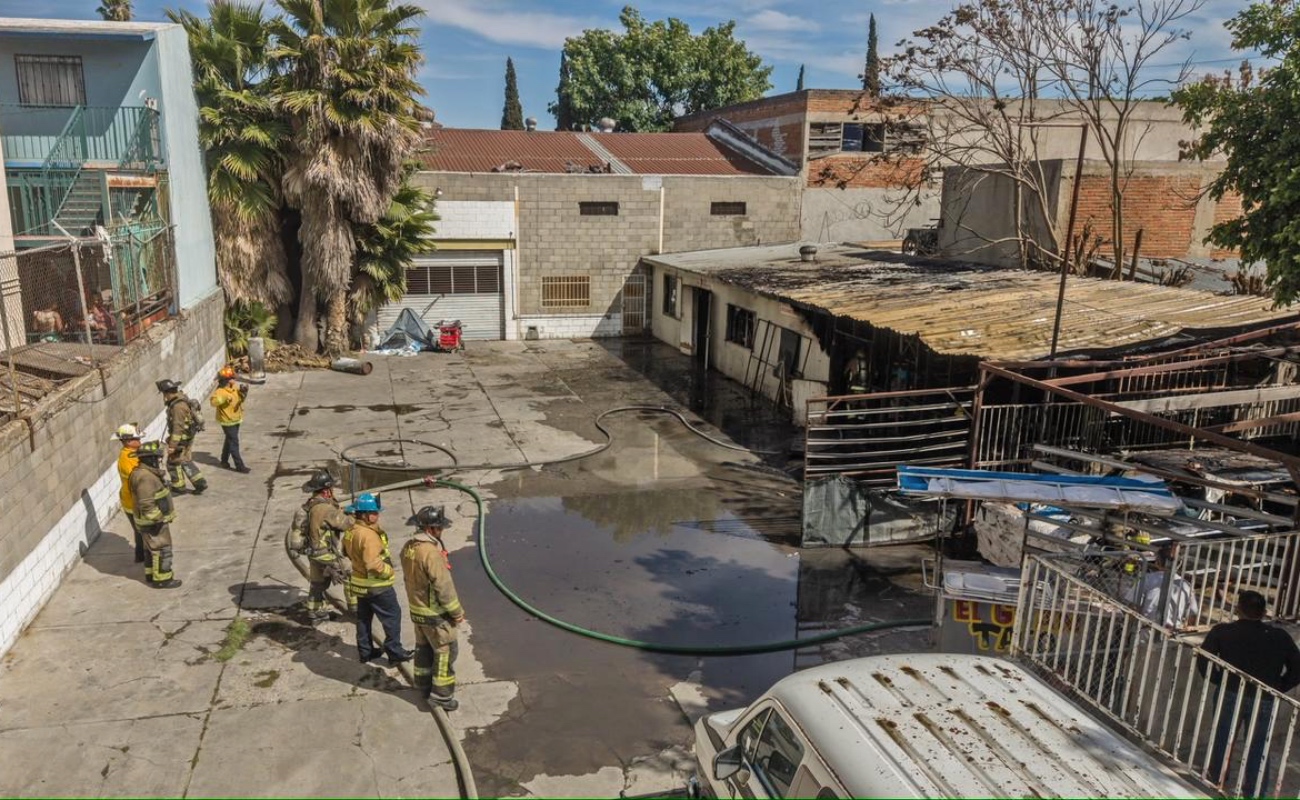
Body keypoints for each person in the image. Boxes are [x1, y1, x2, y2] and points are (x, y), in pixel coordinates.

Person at [1198, 590, 1300, 796]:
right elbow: (1297, 668)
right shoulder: (1279, 637)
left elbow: (1204, 660)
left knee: (1223, 737)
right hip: (1264, 697)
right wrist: (1278, 686)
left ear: (1238, 610)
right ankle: (1254, 791)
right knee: (1259, 746)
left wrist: (1219, 680)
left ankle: (1215, 778)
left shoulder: (1222, 631)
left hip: (1231, 692)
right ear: (1263, 612)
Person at [401, 505, 467, 711]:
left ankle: (422, 685)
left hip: (417, 611)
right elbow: (444, 586)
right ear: (431, 529)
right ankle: (441, 696)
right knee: (445, 652)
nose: (442, 531)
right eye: (440, 528)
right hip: (435, 614)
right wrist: (456, 613)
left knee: (423, 650)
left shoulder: (409, 547)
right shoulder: (430, 553)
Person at [341, 493, 413, 667]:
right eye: (375, 512)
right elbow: (372, 562)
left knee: (364, 619)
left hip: (359, 584)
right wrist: (387, 570)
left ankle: (365, 652)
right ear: (365, 515)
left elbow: (345, 553)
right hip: (377, 586)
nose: (378, 515)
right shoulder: (368, 535)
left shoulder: (350, 532)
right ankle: (395, 652)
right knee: (392, 617)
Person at [290, 469, 352, 624]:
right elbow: (346, 524)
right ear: (326, 491)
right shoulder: (325, 508)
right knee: (350, 573)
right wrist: (354, 514)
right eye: (331, 489)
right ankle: (356, 610)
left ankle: (315, 614)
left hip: (312, 552)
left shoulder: (309, 505)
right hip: (326, 553)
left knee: (317, 584)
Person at [128, 441, 182, 589]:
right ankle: (163, 579)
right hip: (152, 522)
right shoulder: (145, 478)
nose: (159, 461)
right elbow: (146, 503)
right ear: (150, 459)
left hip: (148, 521)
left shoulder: (143, 473)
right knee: (161, 548)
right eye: (157, 458)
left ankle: (151, 575)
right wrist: (158, 519)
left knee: (150, 549)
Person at [1130, 543, 1200, 629]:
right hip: (1172, 632)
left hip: (1147, 628)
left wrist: (1132, 629)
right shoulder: (1186, 586)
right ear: (1179, 565)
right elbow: (1192, 616)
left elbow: (1133, 607)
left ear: (1157, 562)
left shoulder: (1146, 579)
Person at [157, 379, 207, 494]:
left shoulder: (177, 407)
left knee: (173, 462)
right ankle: (199, 482)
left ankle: (181, 486)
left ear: (168, 393)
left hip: (181, 439)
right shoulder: (182, 399)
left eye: (164, 394)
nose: (164, 397)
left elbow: (178, 427)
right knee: (184, 460)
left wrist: (172, 446)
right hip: (187, 437)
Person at [112, 423, 146, 563]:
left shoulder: (134, 453)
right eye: (136, 439)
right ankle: (143, 558)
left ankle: (142, 557)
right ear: (127, 441)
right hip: (132, 502)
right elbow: (139, 479)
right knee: (142, 532)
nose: (140, 441)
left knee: (141, 532)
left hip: (135, 500)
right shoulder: (126, 459)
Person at [209, 366, 250, 473]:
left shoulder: (235, 387)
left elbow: (241, 400)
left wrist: (244, 392)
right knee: (234, 442)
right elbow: (213, 402)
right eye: (232, 378)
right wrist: (224, 399)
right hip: (227, 420)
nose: (235, 379)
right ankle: (239, 466)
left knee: (229, 440)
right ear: (226, 380)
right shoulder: (220, 392)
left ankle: (224, 461)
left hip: (236, 418)